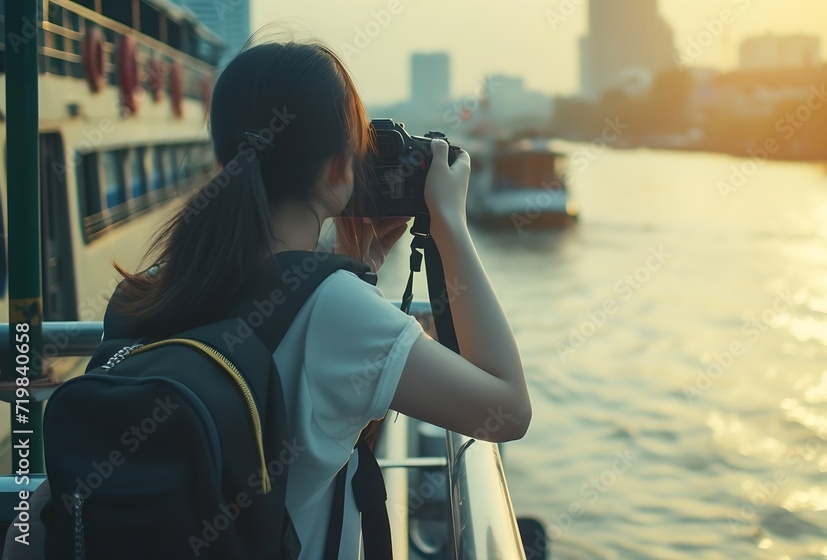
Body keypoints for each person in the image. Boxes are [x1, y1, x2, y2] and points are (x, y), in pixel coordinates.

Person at [110, 41, 531, 558]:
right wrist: (450, 224)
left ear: (221, 159)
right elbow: (508, 412)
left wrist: (357, 269)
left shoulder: (144, 290)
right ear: (340, 168)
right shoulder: (336, 309)